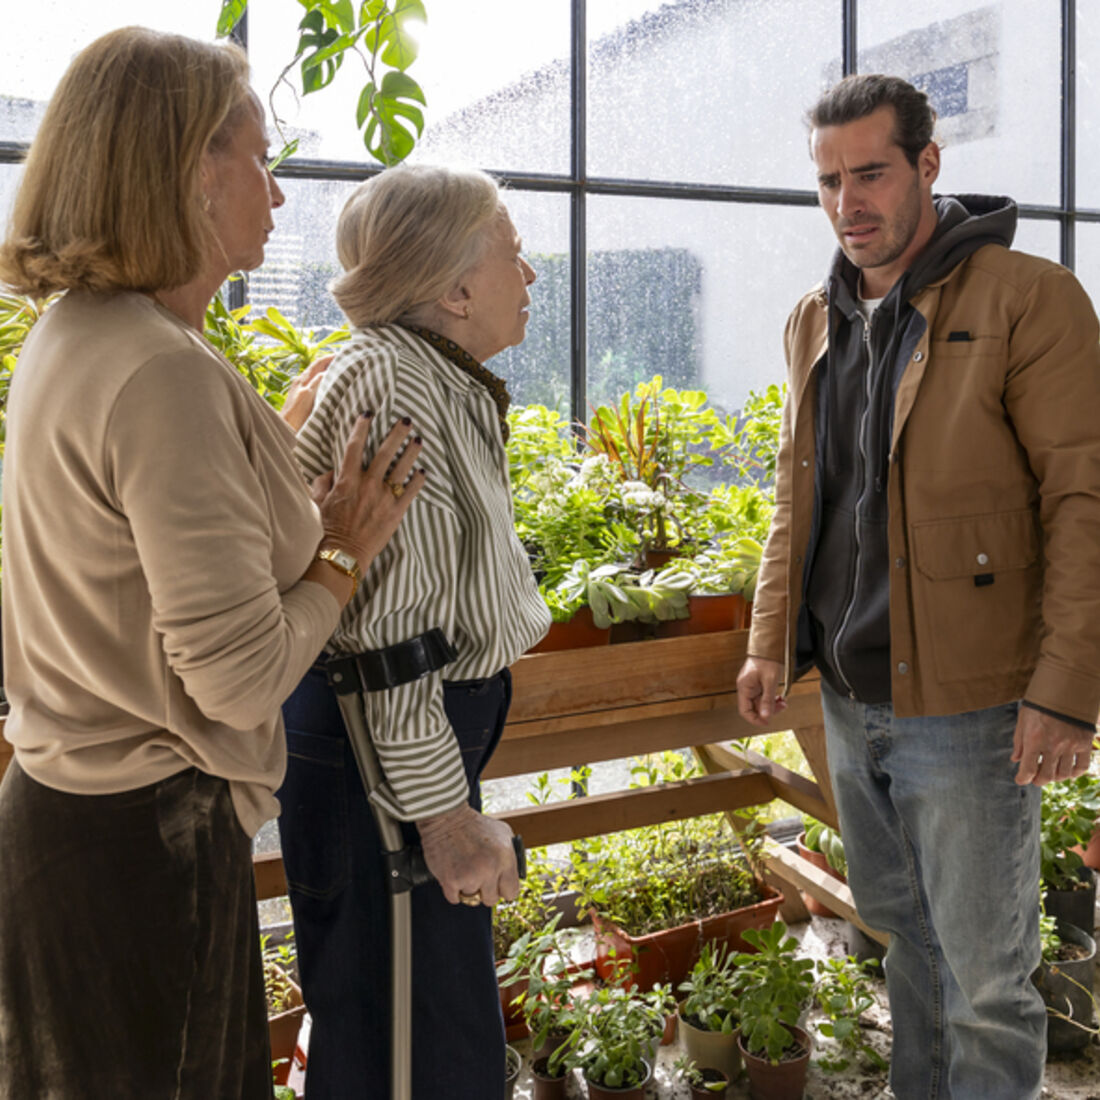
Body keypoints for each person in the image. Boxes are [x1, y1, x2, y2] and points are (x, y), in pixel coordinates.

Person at [0, 27, 423, 1100]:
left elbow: (135, 556)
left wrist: (258, 447)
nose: (277, 195)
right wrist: (343, 551)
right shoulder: (160, 372)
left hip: (69, 817)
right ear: (191, 168)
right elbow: (236, 679)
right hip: (146, 850)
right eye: (260, 159)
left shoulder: (81, 333)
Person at [736, 73, 1100, 1098]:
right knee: (904, 938)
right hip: (851, 694)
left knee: (985, 979)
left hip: (972, 703)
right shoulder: (815, 318)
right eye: (827, 181)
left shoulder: (1026, 298)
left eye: (870, 174)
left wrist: (1066, 691)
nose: (847, 203)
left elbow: (1085, 497)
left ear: (927, 165)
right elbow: (796, 496)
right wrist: (768, 640)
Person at [279, 163, 549, 1099]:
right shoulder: (395, 381)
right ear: (455, 290)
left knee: (412, 1020)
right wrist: (443, 819)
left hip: (393, 747)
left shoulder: (426, 372)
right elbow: (386, 641)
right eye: (514, 252)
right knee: (407, 1041)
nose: (530, 273)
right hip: (380, 751)